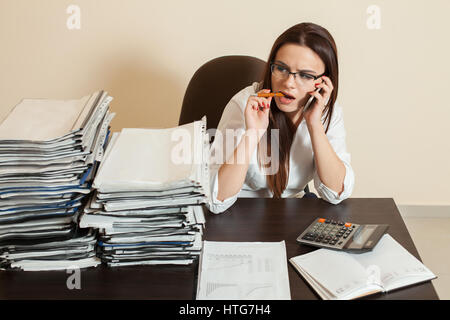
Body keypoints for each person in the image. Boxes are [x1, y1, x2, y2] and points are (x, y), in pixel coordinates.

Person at [207, 22, 355, 214]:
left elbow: (336, 193)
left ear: (324, 81)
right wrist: (253, 133)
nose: (288, 83)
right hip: (239, 213)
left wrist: (314, 124)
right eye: (281, 68)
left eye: (305, 75)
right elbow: (215, 201)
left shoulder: (327, 113)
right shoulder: (245, 104)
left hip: (291, 213)